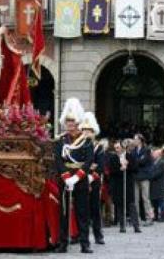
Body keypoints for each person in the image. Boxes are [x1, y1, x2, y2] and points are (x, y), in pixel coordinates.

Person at [54, 98, 93, 254]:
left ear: (77, 122)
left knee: (82, 211)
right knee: (63, 212)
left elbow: (89, 160)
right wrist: (66, 177)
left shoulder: (86, 140)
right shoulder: (61, 140)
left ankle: (85, 243)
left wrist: (76, 177)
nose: (69, 124)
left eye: (72, 121)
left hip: (80, 178)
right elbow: (58, 160)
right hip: (65, 179)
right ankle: (63, 243)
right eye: (67, 121)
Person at [82, 112, 105, 246]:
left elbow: (100, 166)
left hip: (93, 181)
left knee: (95, 209)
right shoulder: (80, 145)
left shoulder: (98, 147)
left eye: (89, 130)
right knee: (82, 209)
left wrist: (91, 176)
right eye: (84, 130)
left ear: (93, 132)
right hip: (81, 179)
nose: (86, 133)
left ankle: (98, 235)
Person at [107, 139, 139, 233]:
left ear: (122, 147)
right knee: (120, 206)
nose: (116, 149)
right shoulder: (113, 157)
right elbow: (111, 170)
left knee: (131, 205)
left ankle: (136, 226)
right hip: (118, 184)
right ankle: (122, 226)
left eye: (118, 147)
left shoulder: (129, 156)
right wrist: (120, 169)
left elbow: (135, 168)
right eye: (115, 148)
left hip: (128, 184)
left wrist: (127, 166)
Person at [129, 133, 154, 224]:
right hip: (135, 176)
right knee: (135, 199)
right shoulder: (133, 150)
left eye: (135, 139)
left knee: (145, 198)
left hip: (144, 176)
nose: (134, 141)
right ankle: (137, 218)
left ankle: (149, 218)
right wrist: (136, 161)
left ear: (140, 140)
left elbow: (143, 161)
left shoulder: (146, 150)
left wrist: (135, 162)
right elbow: (132, 161)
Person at [150, 147, 164, 223]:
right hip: (154, 184)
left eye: (154, 153)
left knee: (161, 201)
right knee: (154, 201)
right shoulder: (154, 161)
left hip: (159, 184)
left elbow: (157, 173)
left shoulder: (162, 162)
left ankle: (162, 217)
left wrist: (149, 176)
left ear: (159, 154)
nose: (153, 154)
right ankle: (156, 216)